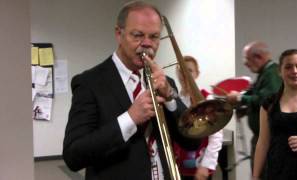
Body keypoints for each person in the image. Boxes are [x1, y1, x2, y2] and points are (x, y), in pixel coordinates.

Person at [62, 1, 200, 180]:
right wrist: (130, 118)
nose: (147, 44)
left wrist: (171, 99)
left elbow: (192, 142)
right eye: (138, 35)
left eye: (154, 37)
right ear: (119, 34)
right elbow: (74, 156)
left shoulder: (165, 82)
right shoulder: (90, 82)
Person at [252, 49, 297, 180]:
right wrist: (255, 176)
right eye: (288, 67)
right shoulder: (269, 103)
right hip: (276, 173)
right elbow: (263, 142)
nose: (294, 71)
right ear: (280, 71)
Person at [226, 41, 282, 170]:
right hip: (263, 138)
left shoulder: (272, 74)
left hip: (269, 141)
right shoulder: (266, 73)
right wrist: (247, 110)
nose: (247, 66)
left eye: (247, 62)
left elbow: (267, 99)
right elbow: (262, 101)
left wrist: (239, 97)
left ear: (259, 57)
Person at [174, 56, 223, 180]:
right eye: (181, 70)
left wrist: (206, 165)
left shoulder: (207, 99)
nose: (184, 74)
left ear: (197, 74)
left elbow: (216, 136)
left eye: (189, 70)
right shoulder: (174, 101)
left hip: (200, 165)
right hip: (178, 166)